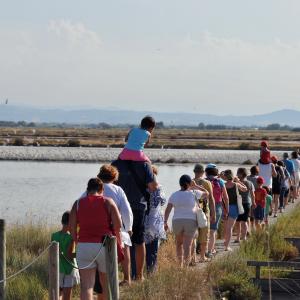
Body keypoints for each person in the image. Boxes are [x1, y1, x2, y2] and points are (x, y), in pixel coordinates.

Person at [70, 178, 122, 300]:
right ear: (102, 190)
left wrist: (77, 242)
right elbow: (118, 226)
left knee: (87, 286)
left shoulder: (77, 204)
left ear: (87, 190)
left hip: (84, 246)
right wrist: (119, 244)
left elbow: (72, 228)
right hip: (104, 245)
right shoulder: (108, 202)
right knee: (105, 284)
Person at [111, 159, 156, 281]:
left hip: (118, 208)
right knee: (139, 242)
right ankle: (139, 276)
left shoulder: (116, 163)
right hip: (139, 206)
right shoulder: (145, 164)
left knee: (124, 243)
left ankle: (126, 278)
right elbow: (153, 186)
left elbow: (111, 183)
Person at [164, 175, 209, 267]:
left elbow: (168, 209)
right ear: (190, 183)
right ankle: (185, 267)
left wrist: (165, 221)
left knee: (179, 244)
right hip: (190, 221)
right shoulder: (194, 192)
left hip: (177, 221)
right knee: (188, 245)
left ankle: (179, 265)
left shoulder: (174, 195)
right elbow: (207, 193)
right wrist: (196, 185)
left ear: (180, 184)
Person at [51, 211, 80, 300]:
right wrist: (79, 255)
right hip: (69, 269)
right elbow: (69, 255)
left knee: (57, 294)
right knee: (67, 295)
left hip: (58, 268)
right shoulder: (71, 237)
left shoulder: (54, 236)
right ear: (71, 223)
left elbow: (52, 253)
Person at [144, 165, 167, 273]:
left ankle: (141, 271)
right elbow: (162, 201)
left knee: (142, 246)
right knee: (154, 248)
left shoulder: (141, 186)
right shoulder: (158, 187)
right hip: (156, 220)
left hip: (144, 218)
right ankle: (152, 270)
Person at [192, 163, 216, 262]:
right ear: (203, 172)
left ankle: (192, 258)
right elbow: (211, 198)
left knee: (193, 236)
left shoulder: (190, 182)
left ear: (194, 171)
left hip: (192, 211)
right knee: (204, 235)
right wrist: (213, 213)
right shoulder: (207, 183)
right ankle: (202, 257)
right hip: (204, 211)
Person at [204, 164, 229, 257]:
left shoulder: (204, 181)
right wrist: (227, 210)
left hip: (205, 206)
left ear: (206, 172)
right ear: (216, 172)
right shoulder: (220, 181)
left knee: (203, 230)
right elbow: (226, 197)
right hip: (218, 207)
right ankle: (210, 251)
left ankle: (203, 250)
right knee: (212, 231)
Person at [223, 169, 247, 251]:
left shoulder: (223, 184)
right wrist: (238, 181)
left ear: (225, 176)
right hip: (233, 207)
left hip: (224, 207)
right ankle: (227, 246)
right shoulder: (236, 184)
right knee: (230, 228)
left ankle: (225, 242)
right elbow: (245, 189)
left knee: (226, 227)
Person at [235, 168, 255, 242]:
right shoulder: (250, 183)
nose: (237, 174)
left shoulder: (236, 183)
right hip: (247, 203)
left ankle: (238, 237)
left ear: (241, 174)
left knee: (239, 222)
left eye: (238, 173)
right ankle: (243, 237)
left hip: (239, 203)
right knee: (244, 221)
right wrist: (253, 202)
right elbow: (253, 194)